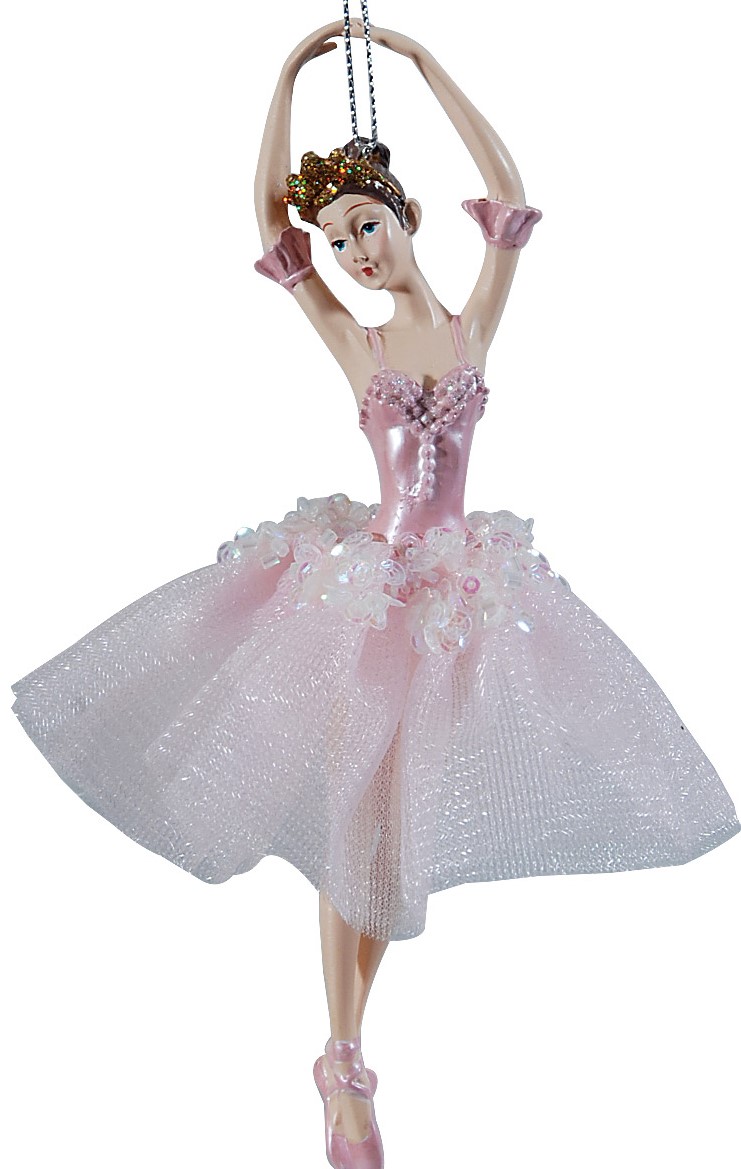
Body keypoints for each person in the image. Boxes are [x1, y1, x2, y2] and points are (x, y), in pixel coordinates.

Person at [10, 18, 739, 1169]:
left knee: (395, 848)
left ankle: (342, 1050)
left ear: (406, 218)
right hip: (365, 598)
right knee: (355, 814)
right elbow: (268, 228)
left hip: (452, 603)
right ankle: (344, 1061)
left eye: (366, 226)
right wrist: (288, 73)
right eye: (341, 239)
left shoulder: (469, 322)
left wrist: (418, 64)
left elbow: (509, 188)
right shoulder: (359, 346)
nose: (353, 251)